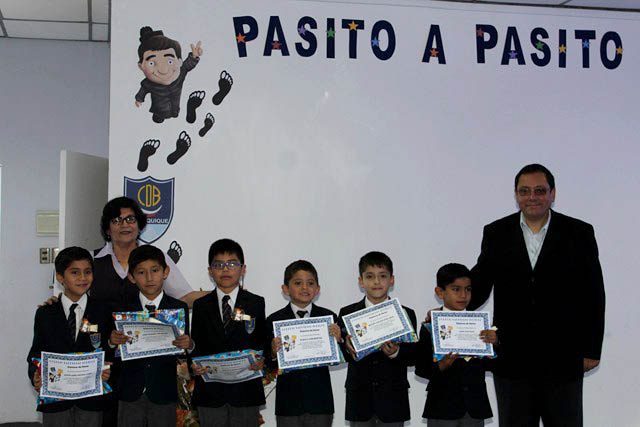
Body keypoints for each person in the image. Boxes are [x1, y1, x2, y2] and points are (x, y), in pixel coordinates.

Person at [469, 163, 606, 426]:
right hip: (512, 358)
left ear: (552, 193)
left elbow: (593, 294)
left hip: (563, 356)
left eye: (540, 190)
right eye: (525, 191)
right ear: (516, 194)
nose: (532, 197)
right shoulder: (496, 232)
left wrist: (591, 348)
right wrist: (449, 312)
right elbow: (480, 283)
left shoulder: (579, 232)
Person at [108, 244, 192, 427]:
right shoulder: (121, 309)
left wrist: (188, 344)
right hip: (129, 392)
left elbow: (184, 351)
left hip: (163, 391)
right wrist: (112, 342)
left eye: (154, 270)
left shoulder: (178, 308)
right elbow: (110, 349)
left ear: (166, 271)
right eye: (141, 272)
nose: (149, 278)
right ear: (131, 277)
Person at [27, 247, 112, 426]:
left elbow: (110, 348)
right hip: (56, 400)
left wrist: (108, 369)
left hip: (91, 399)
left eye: (87, 272)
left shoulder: (103, 311)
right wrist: (35, 375)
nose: (82, 278)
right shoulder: (45, 313)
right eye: (75, 272)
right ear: (60, 277)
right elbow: (36, 352)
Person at [190, 238, 266, 426]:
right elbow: (195, 345)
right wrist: (193, 364)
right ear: (210, 271)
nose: (225, 269)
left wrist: (262, 359)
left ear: (243, 269)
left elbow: (262, 341)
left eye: (232, 264)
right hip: (210, 393)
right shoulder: (200, 306)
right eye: (218, 264)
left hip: (246, 392)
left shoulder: (255, 303)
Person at [338, 251, 418, 427]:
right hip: (359, 399)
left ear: (392, 280)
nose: (376, 282)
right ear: (361, 281)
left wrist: (396, 352)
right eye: (370, 276)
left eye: (382, 276)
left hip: (393, 400)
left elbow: (414, 355)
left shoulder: (406, 313)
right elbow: (342, 353)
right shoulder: (347, 313)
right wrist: (347, 345)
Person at [415, 263, 497, 427]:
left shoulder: (481, 325)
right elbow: (421, 368)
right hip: (442, 407)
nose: (463, 295)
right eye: (456, 289)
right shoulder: (429, 326)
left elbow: (493, 365)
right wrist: (441, 366)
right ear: (440, 292)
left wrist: (495, 344)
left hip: (474, 407)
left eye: (468, 289)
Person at [265, 260, 342, 427]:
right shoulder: (274, 320)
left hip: (321, 403)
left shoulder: (328, 318)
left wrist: (339, 340)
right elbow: (267, 362)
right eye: (298, 283)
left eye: (310, 283)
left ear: (317, 289)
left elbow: (342, 356)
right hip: (288, 404)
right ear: (285, 289)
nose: (305, 288)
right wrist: (272, 352)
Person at [93, 196, 204, 308]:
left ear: (139, 225)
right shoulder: (91, 259)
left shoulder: (157, 257)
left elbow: (184, 297)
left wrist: (219, 295)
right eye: (117, 220)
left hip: (144, 326)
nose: (125, 225)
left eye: (130, 219)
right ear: (107, 229)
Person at [135, 26, 203, 123]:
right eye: (152, 63)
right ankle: (159, 116)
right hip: (159, 109)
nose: (163, 70)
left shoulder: (179, 74)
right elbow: (143, 91)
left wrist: (194, 56)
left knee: (175, 113)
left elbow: (188, 65)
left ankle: (174, 113)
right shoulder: (148, 83)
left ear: (179, 61)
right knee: (158, 117)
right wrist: (139, 99)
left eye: (170, 61)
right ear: (141, 66)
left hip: (175, 107)